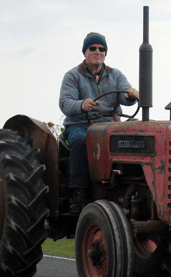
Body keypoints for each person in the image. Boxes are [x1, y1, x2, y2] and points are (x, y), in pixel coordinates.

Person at [59, 32, 139, 213]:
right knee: (80, 141)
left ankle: (127, 188)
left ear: (105, 53)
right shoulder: (73, 76)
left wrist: (131, 95)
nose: (97, 51)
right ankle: (77, 194)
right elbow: (65, 103)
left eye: (101, 49)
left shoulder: (115, 75)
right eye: (92, 48)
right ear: (85, 52)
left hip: (109, 126)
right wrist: (81, 105)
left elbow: (125, 95)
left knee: (135, 140)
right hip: (81, 124)